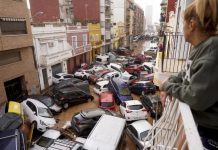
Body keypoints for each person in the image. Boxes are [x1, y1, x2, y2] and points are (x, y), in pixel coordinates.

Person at [160, 0, 218, 149]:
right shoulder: (200, 47)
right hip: (201, 125)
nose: (182, 27)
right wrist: (171, 82)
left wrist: (168, 86)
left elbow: (196, 97)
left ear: (191, 25)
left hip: (211, 133)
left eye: (182, 22)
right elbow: (184, 73)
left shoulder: (213, 50)